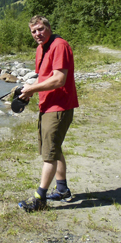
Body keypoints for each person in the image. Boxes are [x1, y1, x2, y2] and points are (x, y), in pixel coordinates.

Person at [17, 15, 79, 212]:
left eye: (40, 29)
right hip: (47, 105)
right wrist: (29, 91)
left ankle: (39, 198)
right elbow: (43, 77)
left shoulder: (60, 46)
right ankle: (62, 191)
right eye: (33, 31)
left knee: (49, 154)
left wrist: (32, 89)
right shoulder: (40, 48)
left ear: (49, 28)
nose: (37, 34)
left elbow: (59, 79)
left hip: (59, 107)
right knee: (54, 148)